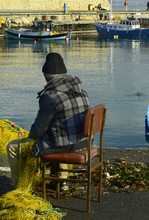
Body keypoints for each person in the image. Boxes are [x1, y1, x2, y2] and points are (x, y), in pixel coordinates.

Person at [7, 53, 90, 189]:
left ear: (46, 77)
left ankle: (20, 188)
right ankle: (61, 181)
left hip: (65, 146)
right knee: (62, 132)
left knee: (13, 147)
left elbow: (39, 129)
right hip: (83, 142)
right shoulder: (81, 90)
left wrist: (30, 138)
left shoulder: (50, 96)